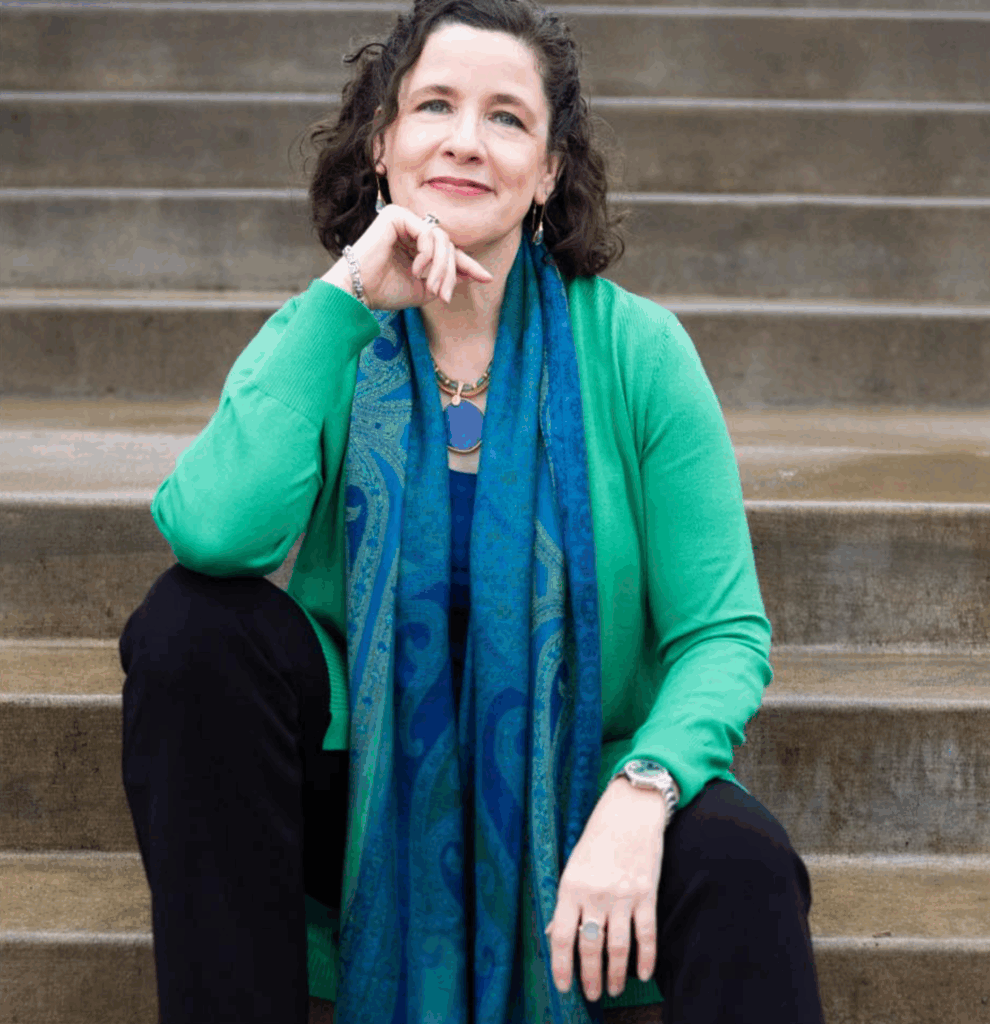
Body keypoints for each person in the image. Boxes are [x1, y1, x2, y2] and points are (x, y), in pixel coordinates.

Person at [119, 0, 826, 1021]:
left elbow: (722, 634)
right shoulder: (332, 328)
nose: (464, 139)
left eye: (506, 117)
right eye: (434, 106)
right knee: (191, 626)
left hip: (578, 784)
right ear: (382, 144)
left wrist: (642, 794)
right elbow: (214, 531)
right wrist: (346, 295)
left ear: (546, 172)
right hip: (366, 800)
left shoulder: (637, 352)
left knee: (743, 863)